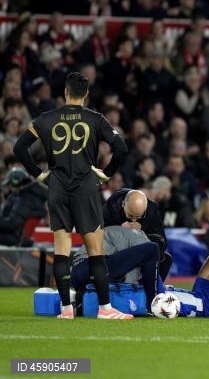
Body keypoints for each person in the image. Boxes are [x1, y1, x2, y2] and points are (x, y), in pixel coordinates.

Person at [13, 71, 131, 319]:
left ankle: (66, 309)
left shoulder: (46, 119)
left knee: (62, 250)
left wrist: (39, 174)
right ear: (86, 94)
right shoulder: (96, 119)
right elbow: (120, 148)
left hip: (57, 186)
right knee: (95, 250)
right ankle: (105, 308)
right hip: (86, 188)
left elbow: (19, 147)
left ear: (65, 93)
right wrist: (107, 173)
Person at [71, 225, 162, 315]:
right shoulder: (141, 238)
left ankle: (79, 302)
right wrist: (159, 293)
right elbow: (133, 276)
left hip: (77, 272)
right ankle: (151, 306)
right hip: (92, 265)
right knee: (153, 248)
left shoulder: (124, 234)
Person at [103, 186, 173, 279]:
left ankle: (151, 289)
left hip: (140, 249)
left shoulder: (151, 210)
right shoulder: (110, 208)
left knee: (166, 259)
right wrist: (118, 230)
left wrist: (142, 229)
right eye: (130, 215)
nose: (133, 220)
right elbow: (101, 239)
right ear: (123, 205)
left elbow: (162, 241)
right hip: (117, 252)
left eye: (138, 217)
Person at [0, 167, 47, 246]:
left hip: (15, 238)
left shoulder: (25, 199)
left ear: (16, 183)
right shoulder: (27, 196)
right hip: (15, 235)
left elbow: (13, 223)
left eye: (10, 185)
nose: (9, 188)